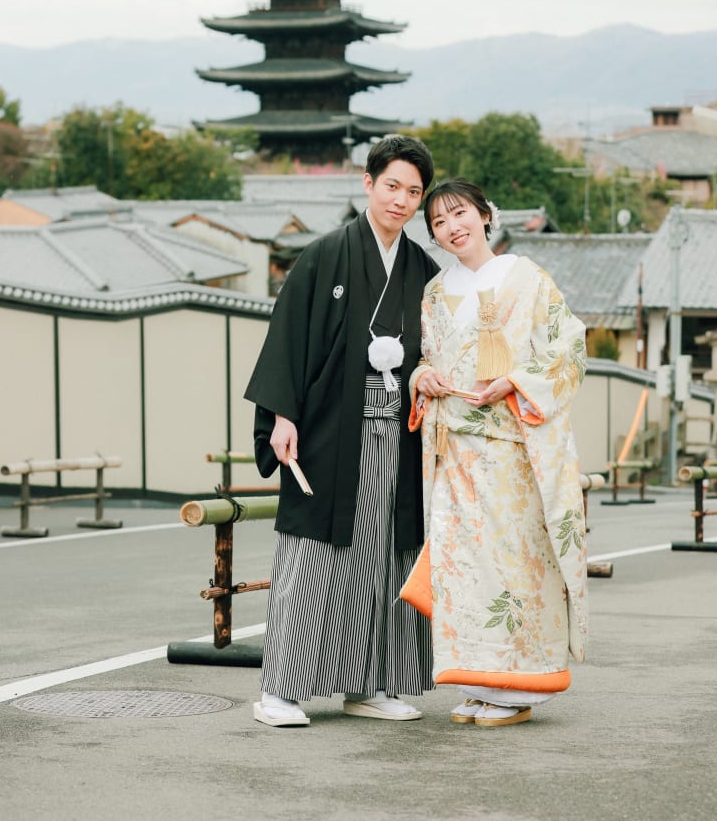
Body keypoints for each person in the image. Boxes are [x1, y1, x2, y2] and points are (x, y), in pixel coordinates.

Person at [244, 134, 439, 727]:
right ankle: (280, 689)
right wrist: (282, 416)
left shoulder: (422, 270)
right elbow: (288, 338)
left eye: (413, 192)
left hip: (399, 438)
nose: (401, 200)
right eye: (392, 186)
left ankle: (371, 684)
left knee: (387, 559)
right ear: (368, 183)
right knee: (313, 559)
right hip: (331, 433)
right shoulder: (324, 255)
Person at [402, 178, 588, 727]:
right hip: (453, 451)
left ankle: (518, 687)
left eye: (460, 213)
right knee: (462, 570)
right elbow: (426, 355)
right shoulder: (435, 292)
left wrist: (515, 381)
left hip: (511, 451)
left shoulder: (526, 277)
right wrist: (422, 377)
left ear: (486, 215)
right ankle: (480, 682)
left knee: (512, 564)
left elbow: (569, 346)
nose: (451, 227)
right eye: (438, 222)